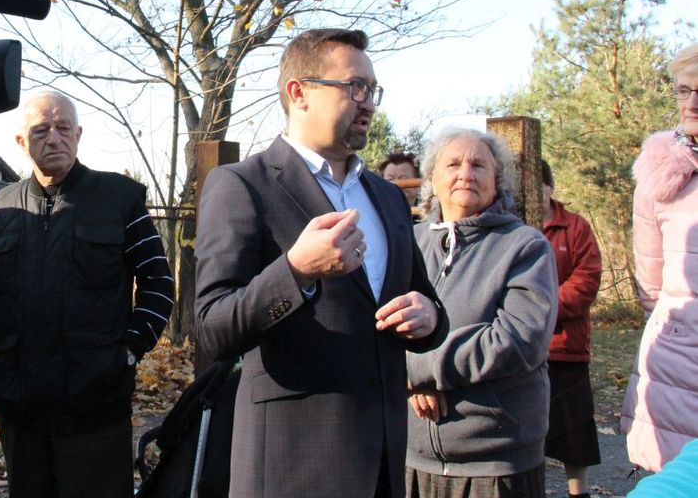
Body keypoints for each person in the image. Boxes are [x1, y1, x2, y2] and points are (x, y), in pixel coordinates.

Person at [195, 28, 445, 498]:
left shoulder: (388, 198)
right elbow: (213, 328)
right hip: (292, 465)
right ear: (299, 93)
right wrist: (296, 270)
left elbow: (423, 300)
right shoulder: (242, 185)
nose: (369, 102)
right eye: (355, 87)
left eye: (373, 89)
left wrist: (430, 316)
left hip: (385, 461)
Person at [0, 90, 173, 498]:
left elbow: (159, 285)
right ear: (22, 142)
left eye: (63, 128)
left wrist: (127, 351)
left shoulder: (119, 199)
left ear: (78, 134)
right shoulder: (4, 208)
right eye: (41, 130)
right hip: (20, 404)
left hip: (95, 404)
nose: (54, 138)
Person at [405, 128, 558, 498]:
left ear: (497, 180)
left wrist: (421, 370)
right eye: (453, 164)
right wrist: (406, 379)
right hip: (413, 456)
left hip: (496, 459)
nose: (466, 173)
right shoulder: (409, 242)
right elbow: (377, 322)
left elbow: (518, 341)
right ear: (433, 179)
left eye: (479, 165)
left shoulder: (524, 247)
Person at [621, 42, 698, 473]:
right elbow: (650, 283)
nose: (692, 103)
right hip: (675, 358)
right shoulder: (660, 172)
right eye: (684, 90)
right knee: (674, 476)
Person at [540, 159, 602, 498]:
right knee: (528, 430)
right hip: (525, 348)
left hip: (567, 346)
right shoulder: (512, 224)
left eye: (540, 183)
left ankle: (579, 493)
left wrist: (542, 308)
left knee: (574, 432)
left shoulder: (575, 227)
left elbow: (587, 280)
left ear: (550, 186)